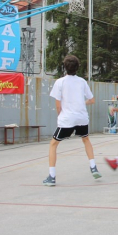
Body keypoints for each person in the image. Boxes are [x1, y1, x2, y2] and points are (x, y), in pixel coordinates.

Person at [43, 55, 101, 186]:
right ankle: (93, 167)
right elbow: (92, 100)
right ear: (78, 67)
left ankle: (51, 176)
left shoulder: (60, 82)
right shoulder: (82, 82)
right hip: (82, 117)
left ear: (64, 67)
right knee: (86, 140)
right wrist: (81, 103)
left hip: (67, 119)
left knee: (53, 144)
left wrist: (61, 116)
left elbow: (58, 105)